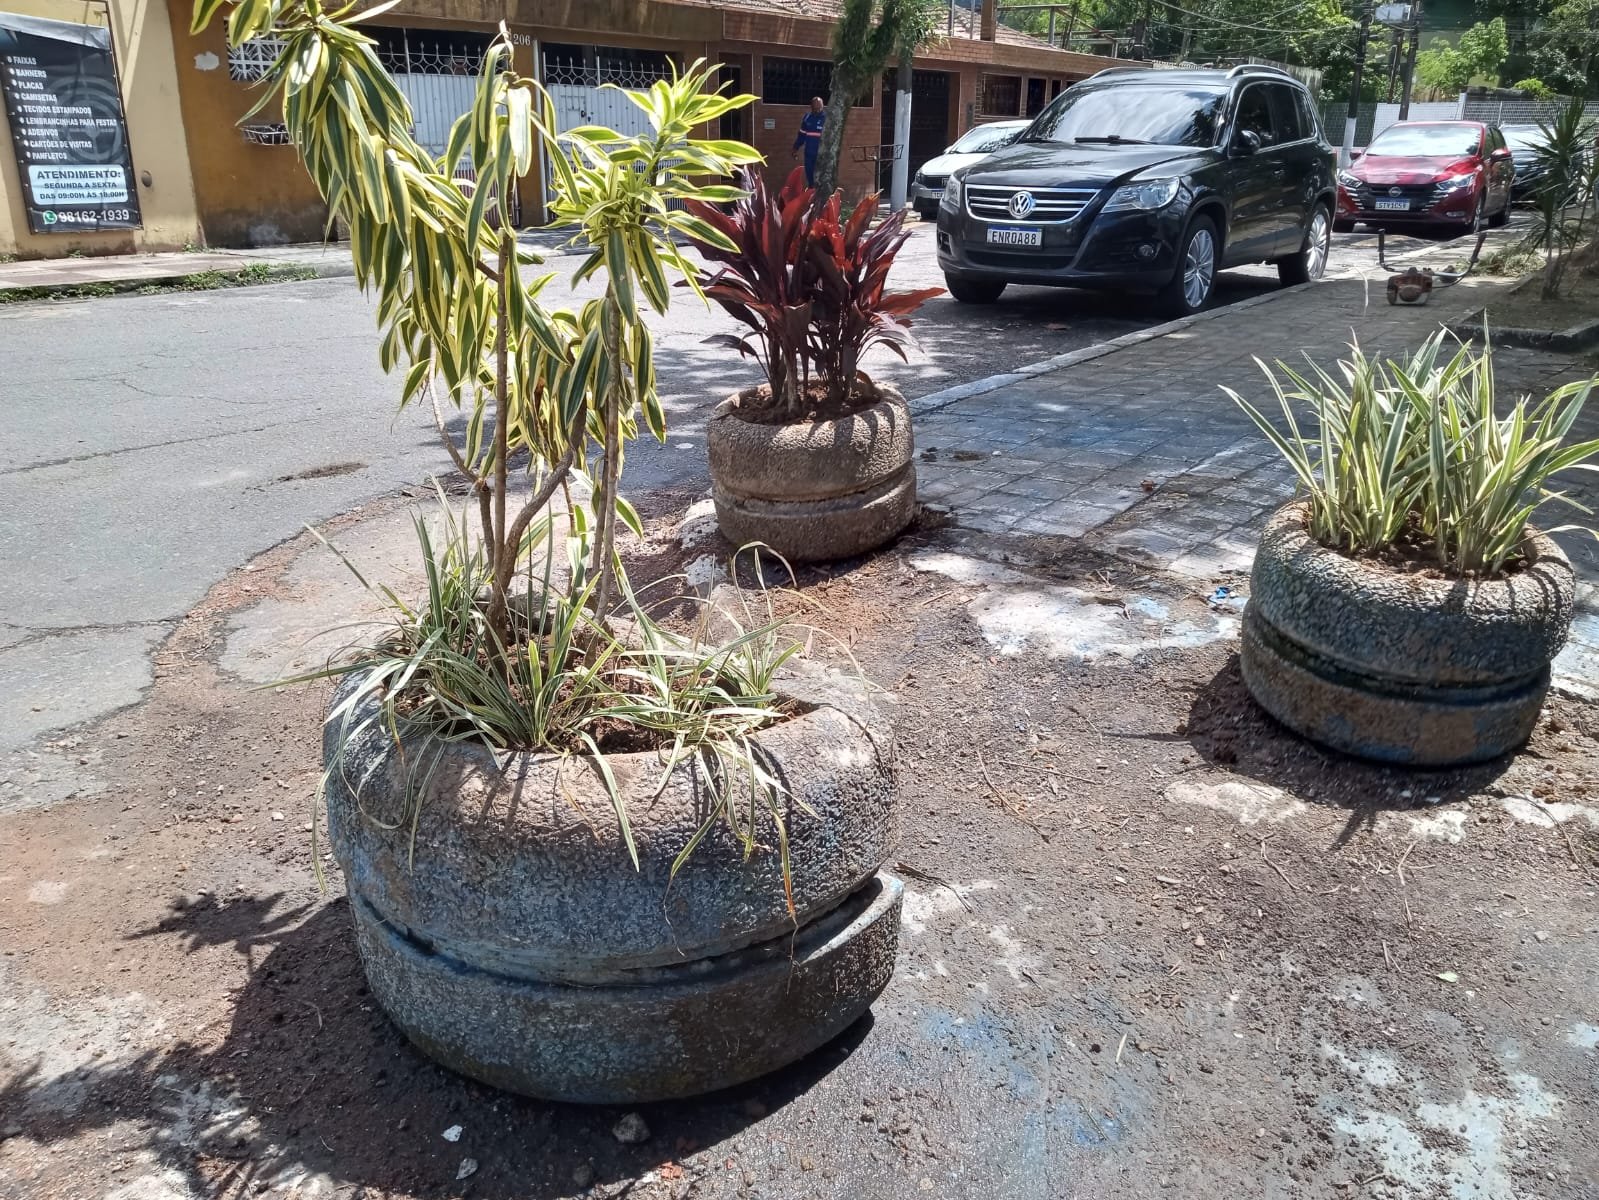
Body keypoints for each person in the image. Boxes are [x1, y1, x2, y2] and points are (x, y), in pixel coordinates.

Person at [792, 96, 825, 186]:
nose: (818, 109)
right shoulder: (807, 118)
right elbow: (801, 135)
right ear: (811, 107)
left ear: (822, 106)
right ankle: (811, 191)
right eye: (815, 107)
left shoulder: (826, 119)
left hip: (821, 154)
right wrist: (795, 148)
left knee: (821, 179)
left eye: (819, 107)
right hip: (809, 153)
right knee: (810, 177)